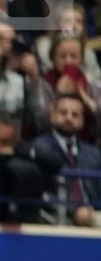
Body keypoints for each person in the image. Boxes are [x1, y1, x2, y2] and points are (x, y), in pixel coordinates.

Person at [31, 90, 101, 227]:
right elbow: (39, 191)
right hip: (54, 216)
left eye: (75, 115)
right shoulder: (39, 148)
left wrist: (90, 211)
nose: (69, 118)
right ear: (52, 115)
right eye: (63, 113)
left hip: (93, 215)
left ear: (82, 121)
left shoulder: (93, 153)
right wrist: (73, 209)